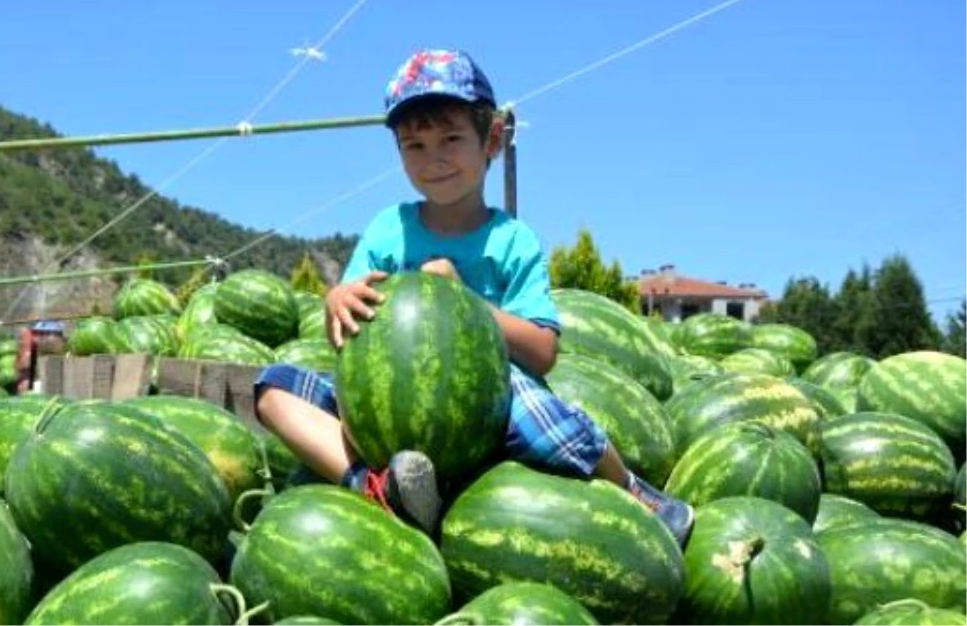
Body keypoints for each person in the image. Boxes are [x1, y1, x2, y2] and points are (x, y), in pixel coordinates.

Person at [252, 49, 694, 546]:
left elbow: (543, 353)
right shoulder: (387, 230)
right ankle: (376, 489)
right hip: (384, 416)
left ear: (494, 140)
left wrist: (466, 302)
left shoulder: (512, 241)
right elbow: (345, 341)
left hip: (486, 410)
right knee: (274, 388)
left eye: (451, 139)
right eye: (414, 145)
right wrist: (336, 302)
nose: (433, 158)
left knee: (544, 414)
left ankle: (634, 493)